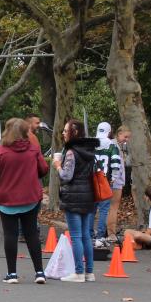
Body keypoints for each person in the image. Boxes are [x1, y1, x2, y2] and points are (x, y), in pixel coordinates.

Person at [0, 119, 49, 284]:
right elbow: (44, 169)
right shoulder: (33, 149)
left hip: (7, 198)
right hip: (30, 197)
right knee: (32, 234)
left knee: (10, 234)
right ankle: (39, 272)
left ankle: (12, 273)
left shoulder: (1, 151)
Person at [54, 120, 98, 283]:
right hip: (88, 194)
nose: (63, 133)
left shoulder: (71, 152)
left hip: (73, 196)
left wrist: (58, 165)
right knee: (86, 235)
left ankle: (79, 272)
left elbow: (67, 176)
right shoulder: (89, 150)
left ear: (75, 132)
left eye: (66, 131)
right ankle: (89, 272)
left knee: (76, 236)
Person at [91, 122, 123, 246]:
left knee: (92, 209)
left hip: (92, 180)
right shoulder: (112, 145)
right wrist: (113, 177)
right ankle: (100, 236)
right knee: (104, 210)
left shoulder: (91, 144)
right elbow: (115, 163)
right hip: (105, 180)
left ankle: (90, 234)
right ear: (109, 131)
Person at [125, 186, 151, 250]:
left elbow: (150, 231)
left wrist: (142, 235)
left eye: (145, 195)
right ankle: (135, 244)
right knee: (127, 231)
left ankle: (136, 244)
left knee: (137, 235)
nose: (144, 197)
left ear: (147, 198)